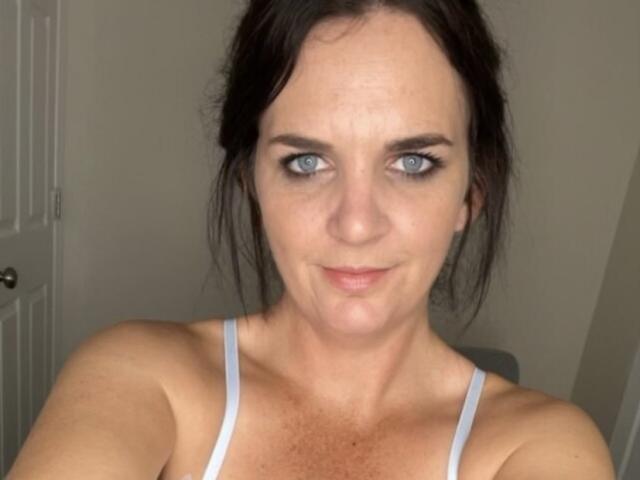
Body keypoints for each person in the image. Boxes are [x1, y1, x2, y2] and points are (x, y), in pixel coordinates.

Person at [10, 1, 615, 479]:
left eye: (412, 162)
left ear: (470, 195)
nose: (356, 225)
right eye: (305, 162)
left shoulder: (537, 445)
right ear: (252, 183)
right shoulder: (143, 376)